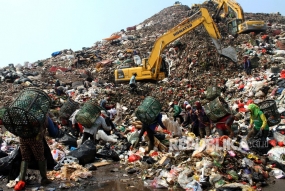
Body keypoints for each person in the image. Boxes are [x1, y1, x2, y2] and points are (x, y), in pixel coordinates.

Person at [14, 124, 51, 190]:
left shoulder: (20, 115)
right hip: (34, 137)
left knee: (25, 158)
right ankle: (44, 179)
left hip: (23, 137)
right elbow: (43, 124)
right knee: (40, 157)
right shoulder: (36, 114)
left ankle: (21, 181)